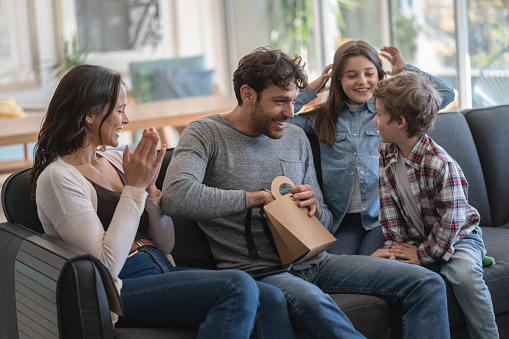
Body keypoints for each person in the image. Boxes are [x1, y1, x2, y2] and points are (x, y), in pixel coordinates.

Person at [162, 47, 451, 339]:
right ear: (248, 94)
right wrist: (257, 198)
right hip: (260, 272)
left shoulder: (295, 137)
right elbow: (176, 196)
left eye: (292, 101)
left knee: (426, 283)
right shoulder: (205, 133)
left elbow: (324, 220)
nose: (291, 112)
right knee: (317, 305)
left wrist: (315, 207)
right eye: (281, 102)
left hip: (319, 262)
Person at [29, 64, 296, 338]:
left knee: (272, 298)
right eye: (119, 110)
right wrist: (133, 189)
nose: (126, 119)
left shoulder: (114, 160)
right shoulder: (58, 178)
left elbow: (166, 244)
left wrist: (150, 190)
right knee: (238, 286)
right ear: (89, 115)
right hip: (120, 287)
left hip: (161, 267)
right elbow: (105, 266)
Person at [289, 41, 455, 255]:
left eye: (369, 73)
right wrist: (311, 89)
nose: (362, 81)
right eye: (351, 75)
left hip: (383, 220)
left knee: (373, 263)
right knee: (338, 268)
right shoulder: (323, 117)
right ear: (338, 79)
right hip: (343, 223)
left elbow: (446, 94)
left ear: (379, 74)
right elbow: (282, 119)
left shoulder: (389, 114)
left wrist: (404, 69)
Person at [371, 71, 498, 339]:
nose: (375, 120)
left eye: (380, 114)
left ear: (401, 122)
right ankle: (448, 261)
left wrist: (423, 255)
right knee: (387, 271)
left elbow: (451, 220)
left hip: (458, 237)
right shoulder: (386, 151)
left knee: (464, 277)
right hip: (422, 237)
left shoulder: (441, 165)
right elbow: (389, 206)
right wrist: (392, 248)